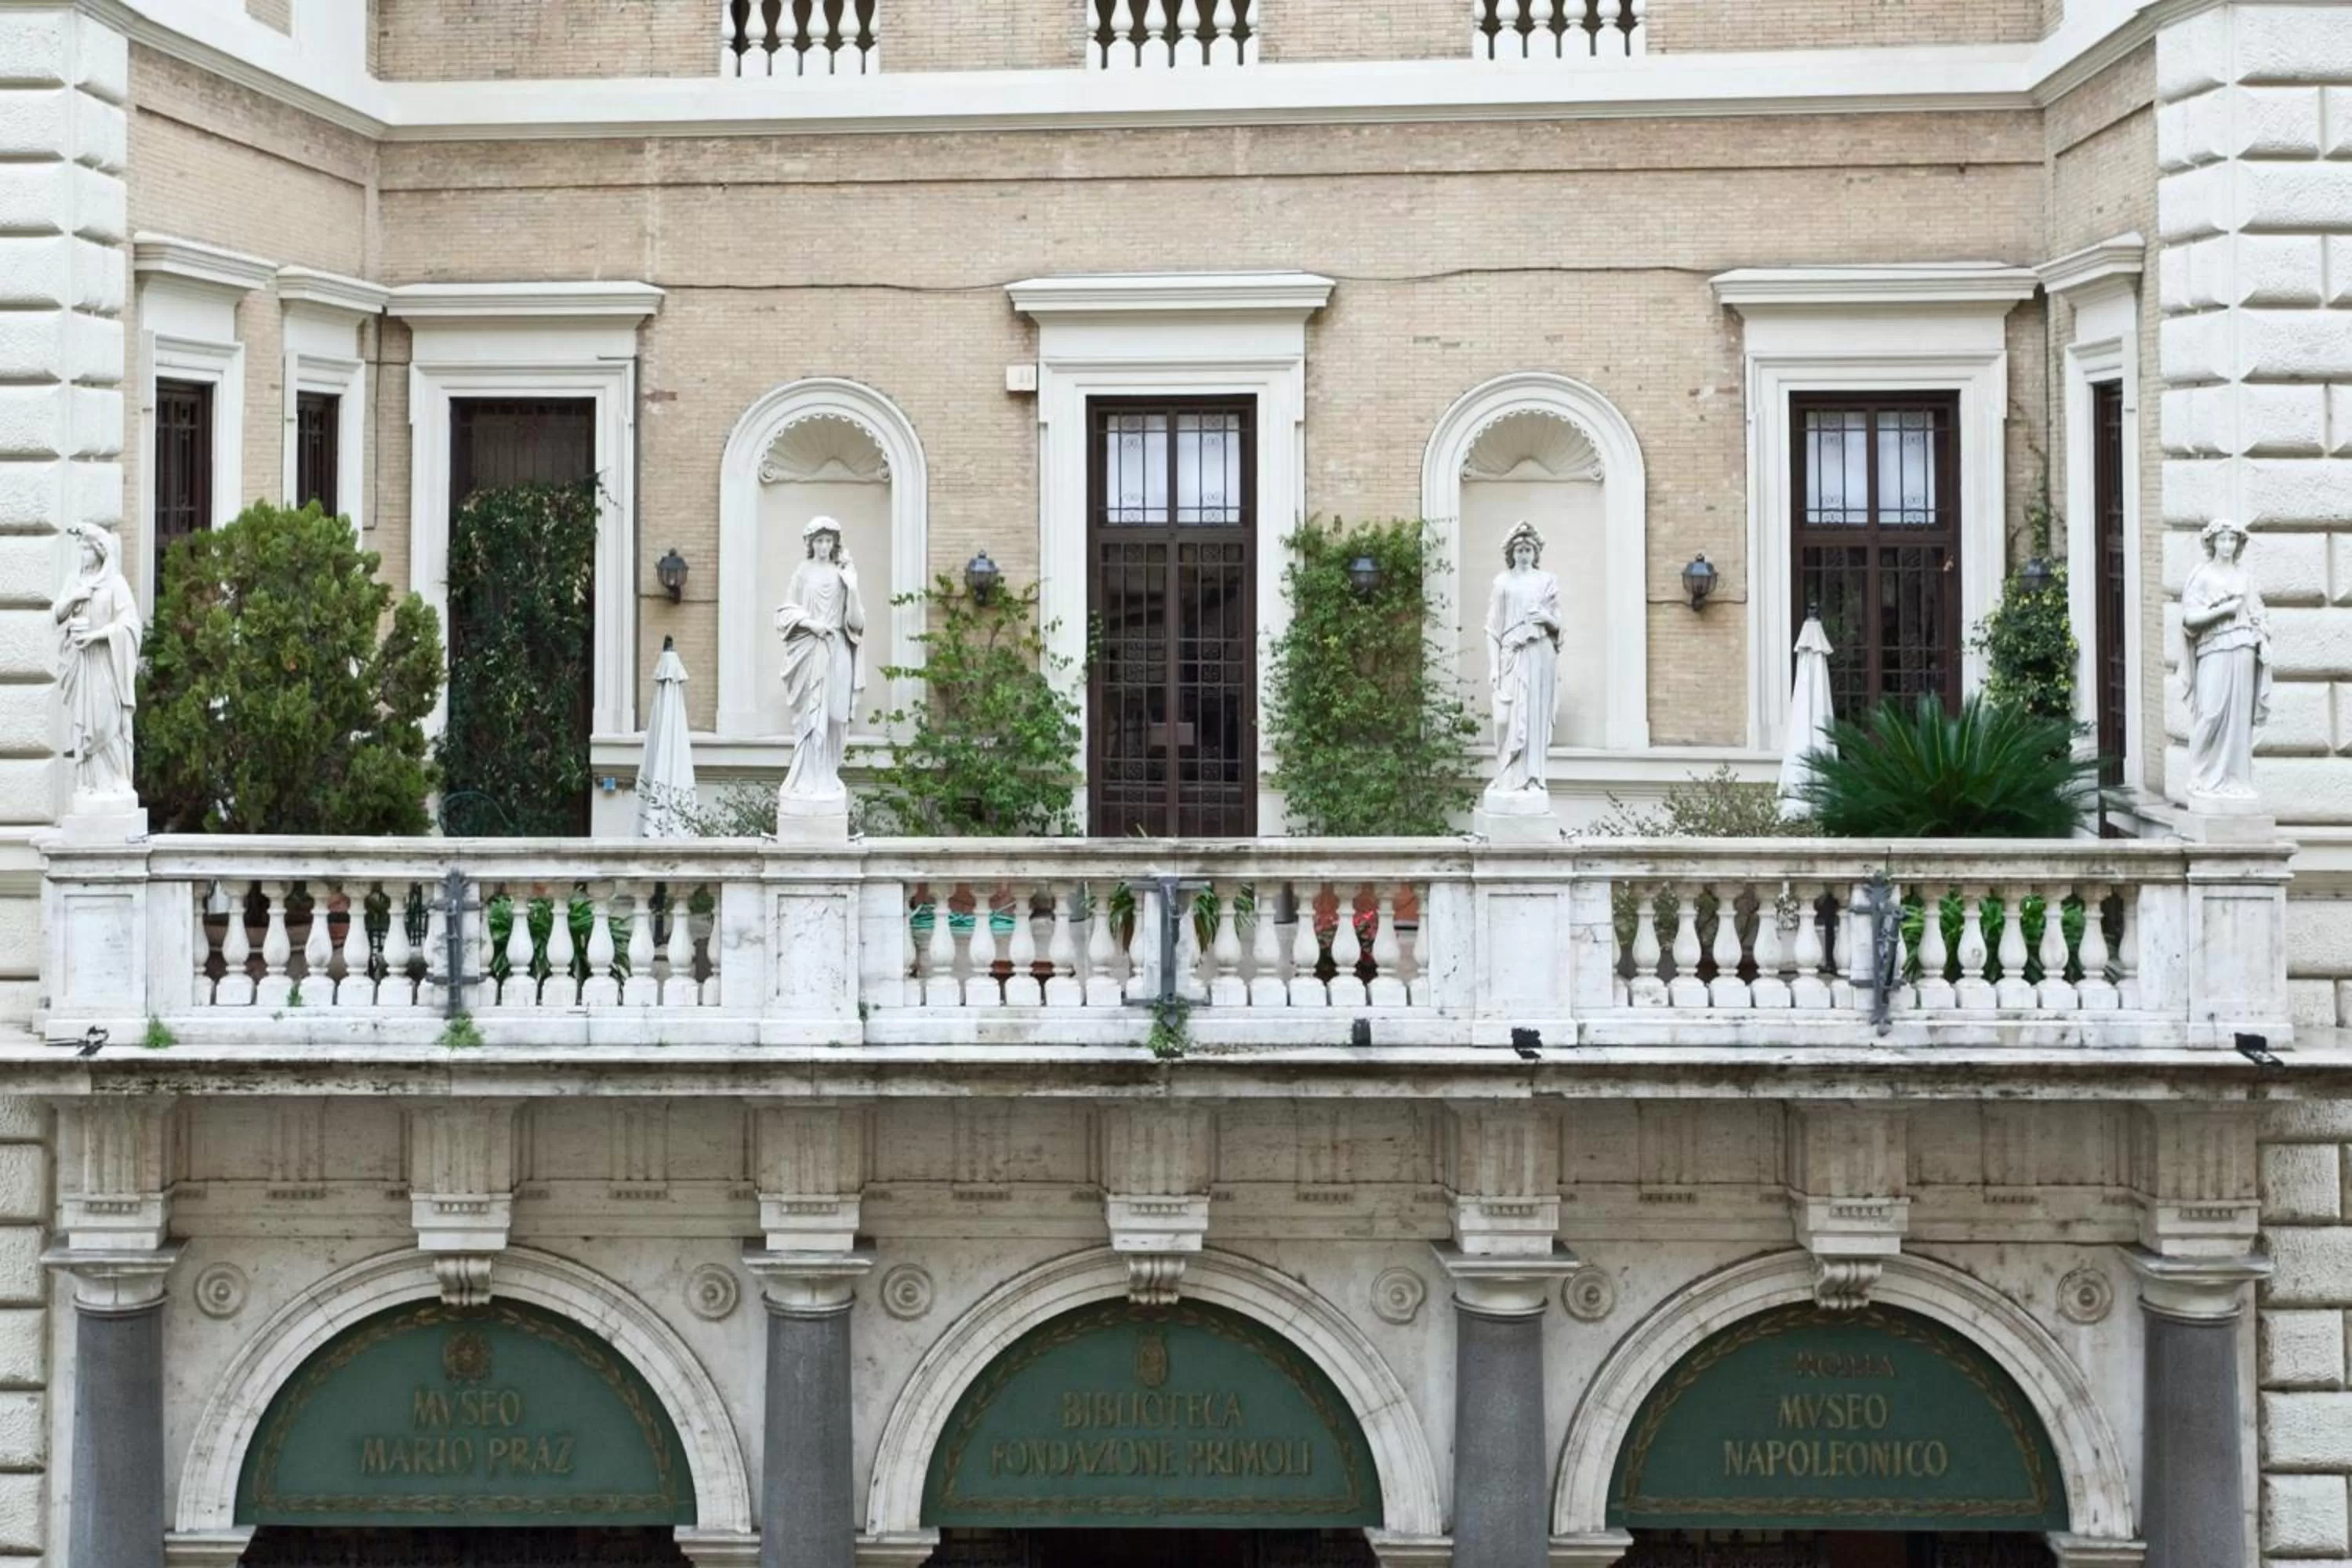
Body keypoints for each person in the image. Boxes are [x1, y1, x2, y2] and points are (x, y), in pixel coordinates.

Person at [2177, 517, 2271, 807]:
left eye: (2233, 540)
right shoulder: (2202, 575)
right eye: (2223, 539)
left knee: (2239, 718)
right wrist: (2223, 611)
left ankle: (2236, 780)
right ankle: (2201, 776)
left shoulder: (2245, 577)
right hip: (2214, 647)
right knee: (2212, 711)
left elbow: (2257, 615)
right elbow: (2190, 619)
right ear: (2213, 542)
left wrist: (2263, 641)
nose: (2228, 545)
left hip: (2243, 647)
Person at [775, 516, 866, 804]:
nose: (824, 546)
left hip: (837, 646)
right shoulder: (803, 572)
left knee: (836, 716)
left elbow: (857, 623)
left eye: (829, 540)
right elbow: (785, 612)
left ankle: (828, 774)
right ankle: (808, 778)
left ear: (835, 544)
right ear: (811, 543)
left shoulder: (844, 574)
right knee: (810, 717)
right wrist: (811, 624)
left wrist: (851, 587)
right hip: (811, 649)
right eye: (819, 540)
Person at [53, 525, 143, 806]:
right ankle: (89, 783)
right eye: (81, 549)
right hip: (82, 664)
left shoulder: (115, 584)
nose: (83, 555)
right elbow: (57, 614)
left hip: (106, 662)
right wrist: (74, 598)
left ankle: (117, 780)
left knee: (107, 721)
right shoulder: (75, 581)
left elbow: (130, 625)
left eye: (88, 549)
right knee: (84, 723)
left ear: (100, 552)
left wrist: (98, 635)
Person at [1484, 520, 1562, 797]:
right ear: (1512, 553)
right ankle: (1506, 773)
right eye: (1520, 549)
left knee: (1534, 715)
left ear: (1536, 553)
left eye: (1529, 549)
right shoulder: (1502, 583)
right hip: (1512, 655)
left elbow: (1559, 626)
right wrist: (1494, 667)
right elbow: (1493, 629)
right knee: (1505, 719)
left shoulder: (1547, 581)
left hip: (1540, 653)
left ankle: (1531, 777)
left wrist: (1547, 619)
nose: (1524, 554)